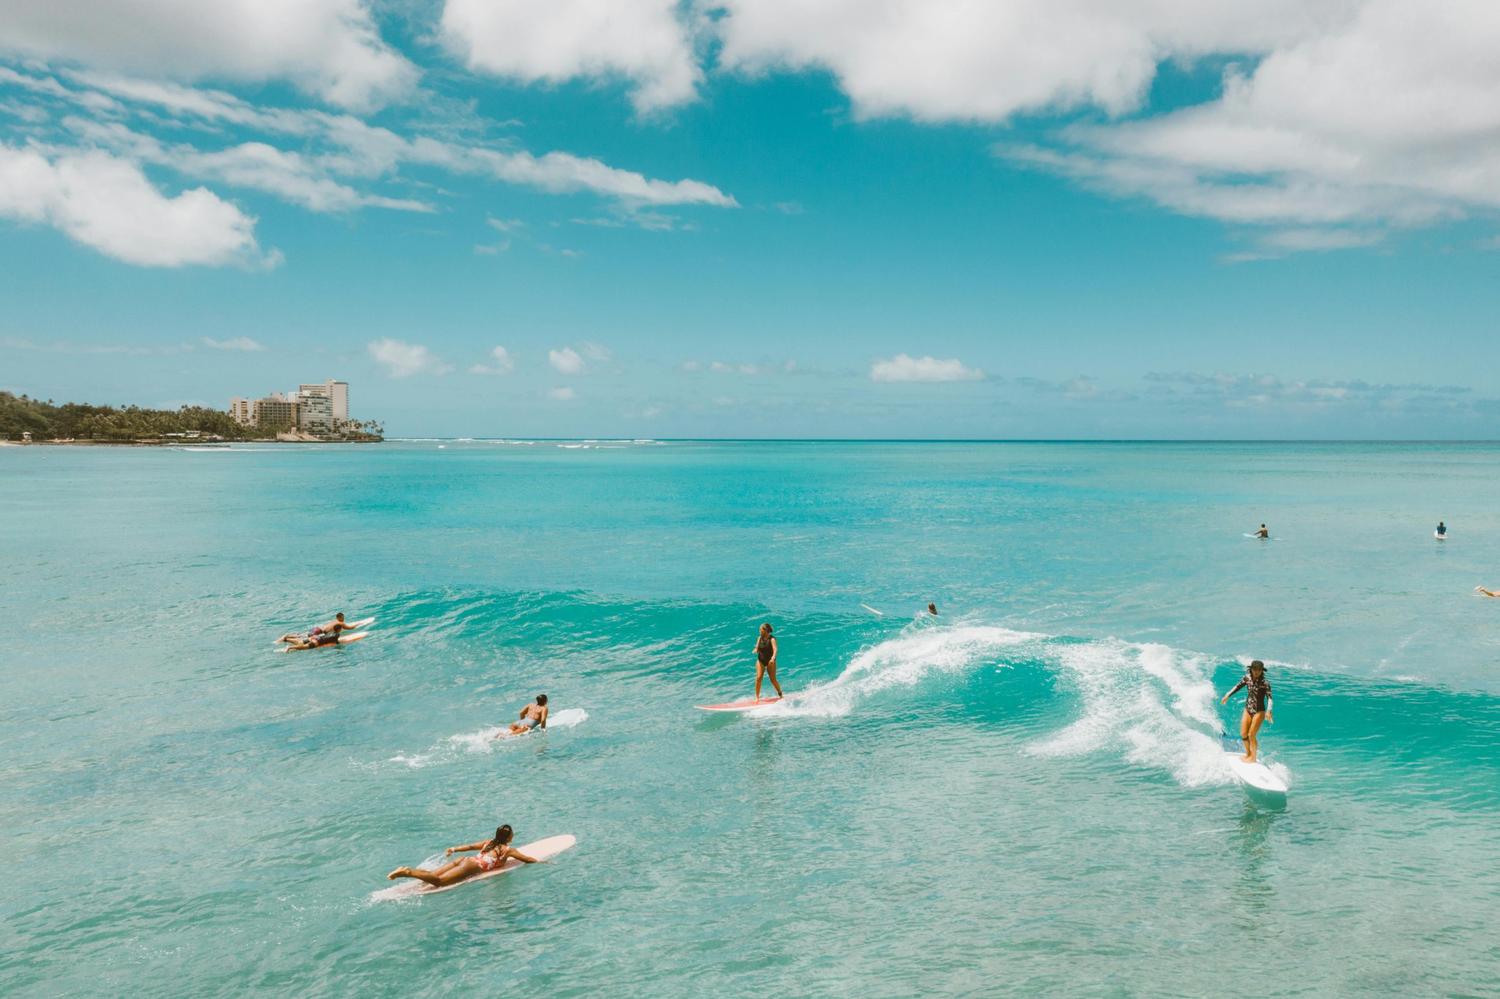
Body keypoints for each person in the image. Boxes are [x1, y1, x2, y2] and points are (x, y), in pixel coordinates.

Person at [386, 824, 539, 888]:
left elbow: (470, 846)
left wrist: (453, 849)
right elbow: (527, 859)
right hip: (472, 866)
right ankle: (407, 872)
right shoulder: (508, 850)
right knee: (439, 882)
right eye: (512, 834)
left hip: (466, 860)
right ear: (508, 837)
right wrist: (543, 862)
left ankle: (409, 872)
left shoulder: (489, 842)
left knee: (432, 876)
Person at [1221, 659, 1274, 763]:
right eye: (1255, 669)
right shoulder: (1247, 678)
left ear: (1262, 671)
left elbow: (1270, 698)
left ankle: (1253, 758)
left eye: (1259, 670)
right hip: (1248, 709)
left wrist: (1269, 711)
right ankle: (1248, 754)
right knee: (1244, 734)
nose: (1257, 672)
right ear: (1251, 669)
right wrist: (1227, 695)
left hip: (1259, 711)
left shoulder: (1265, 683)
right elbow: (1237, 686)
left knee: (1251, 735)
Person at [279, 612, 348, 650]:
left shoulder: (330, 631)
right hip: (317, 641)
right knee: (303, 647)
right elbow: (335, 641)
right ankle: (290, 647)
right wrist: (339, 644)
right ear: (339, 629)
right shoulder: (337, 634)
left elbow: (326, 636)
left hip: (316, 637)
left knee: (299, 641)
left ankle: (286, 639)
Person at [754, 622, 783, 702]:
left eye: (761, 630)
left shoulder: (772, 639)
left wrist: (773, 658)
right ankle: (757, 697)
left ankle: (780, 694)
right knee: (758, 678)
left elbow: (775, 649)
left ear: (765, 630)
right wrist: (756, 649)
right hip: (761, 660)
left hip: (770, 661)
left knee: (773, 679)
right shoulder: (759, 638)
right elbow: (757, 647)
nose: (759, 631)